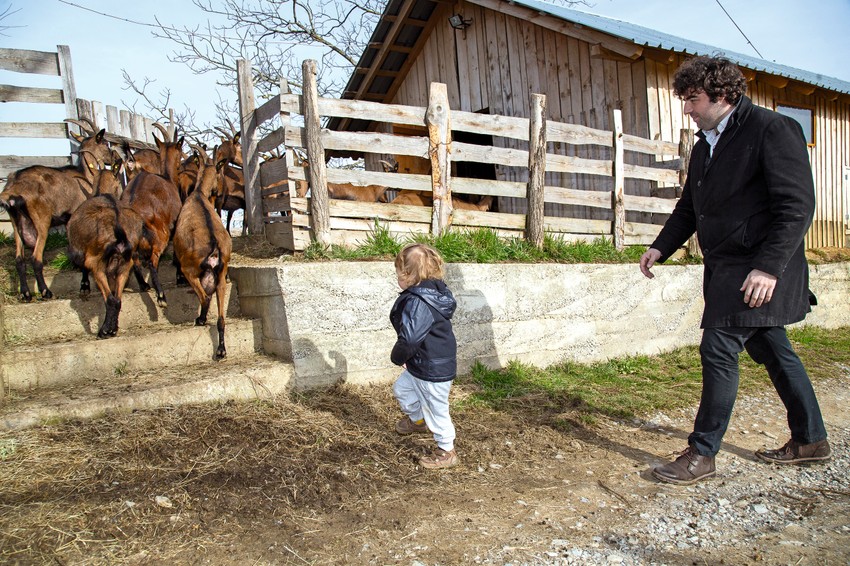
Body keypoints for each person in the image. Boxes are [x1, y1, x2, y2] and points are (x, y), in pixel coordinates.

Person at [639, 55, 830, 485]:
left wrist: (767, 268)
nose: (686, 109)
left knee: (718, 349)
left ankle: (702, 453)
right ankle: (811, 439)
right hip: (726, 270)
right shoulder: (707, 143)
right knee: (774, 350)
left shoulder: (772, 129)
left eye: (692, 99)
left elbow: (796, 206)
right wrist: (660, 247)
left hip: (759, 270)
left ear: (723, 95)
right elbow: (690, 207)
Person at [390, 243, 459, 469]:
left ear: (409, 275)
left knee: (435, 408)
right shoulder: (434, 292)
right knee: (403, 389)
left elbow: (410, 338)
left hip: (431, 367)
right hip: (424, 362)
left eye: (399, 274)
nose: (397, 279)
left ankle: (447, 450)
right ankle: (418, 421)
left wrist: (398, 357)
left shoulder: (418, 301)